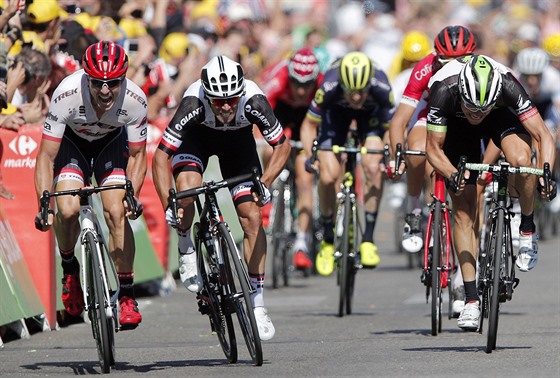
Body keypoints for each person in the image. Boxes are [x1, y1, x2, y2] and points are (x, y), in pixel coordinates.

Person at [151, 55, 291, 341]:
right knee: (188, 192)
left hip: (237, 146)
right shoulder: (193, 104)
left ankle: (258, 303)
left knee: (252, 217)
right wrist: (170, 201)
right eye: (218, 101)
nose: (226, 106)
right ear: (207, 95)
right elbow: (160, 156)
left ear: (240, 92)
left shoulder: (254, 101)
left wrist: (264, 182)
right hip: (196, 141)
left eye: (231, 100)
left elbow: (282, 146)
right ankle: (186, 244)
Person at [425, 54, 557, 331]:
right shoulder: (443, 89)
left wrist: (546, 172)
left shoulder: (508, 85)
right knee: (463, 210)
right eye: (473, 109)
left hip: (501, 117)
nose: (477, 115)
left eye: (482, 110)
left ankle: (528, 228)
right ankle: (471, 300)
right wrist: (452, 174)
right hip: (456, 128)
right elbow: (433, 150)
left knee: (523, 162)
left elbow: (543, 135)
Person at [34, 41, 148, 329]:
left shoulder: (135, 99)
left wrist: (131, 195)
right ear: (86, 78)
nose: (106, 90)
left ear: (124, 79)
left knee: (115, 211)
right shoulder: (66, 94)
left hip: (111, 144)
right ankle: (70, 268)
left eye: (114, 83)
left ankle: (126, 294)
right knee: (68, 209)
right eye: (98, 83)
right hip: (73, 146)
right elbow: (46, 157)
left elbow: (137, 156)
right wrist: (44, 204)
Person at [388, 25, 477, 317]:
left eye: (458, 61)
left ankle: (465, 273)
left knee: (469, 203)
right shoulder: (424, 69)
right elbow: (400, 120)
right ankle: (414, 208)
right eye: (444, 62)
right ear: (435, 57)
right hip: (433, 114)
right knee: (417, 144)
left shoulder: (480, 71)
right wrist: (396, 155)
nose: (450, 68)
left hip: (465, 118)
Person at [301, 51, 394, 276]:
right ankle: (327, 237)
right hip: (336, 116)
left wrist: (389, 156)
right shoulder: (329, 86)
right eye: (352, 92)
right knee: (328, 175)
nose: (356, 98)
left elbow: (393, 128)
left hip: (371, 117)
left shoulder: (381, 86)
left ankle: (368, 240)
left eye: (361, 92)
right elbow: (308, 126)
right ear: (342, 84)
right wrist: (310, 155)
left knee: (372, 166)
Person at [259, 47, 324, 270]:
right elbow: (259, 111)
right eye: (297, 83)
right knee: (269, 151)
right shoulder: (279, 78)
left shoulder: (321, 85)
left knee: (305, 178)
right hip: (280, 114)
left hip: (308, 120)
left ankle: (301, 243)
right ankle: (268, 199)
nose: (301, 89)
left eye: (307, 84)